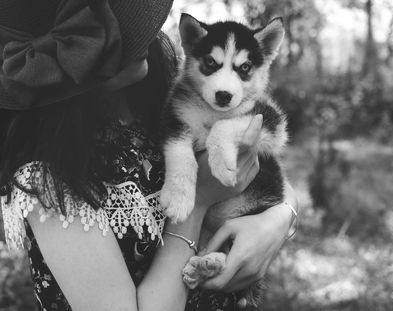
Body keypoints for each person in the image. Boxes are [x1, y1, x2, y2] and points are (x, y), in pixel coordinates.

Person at [0, 1, 298, 311]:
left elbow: (263, 166)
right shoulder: (46, 183)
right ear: (77, 55)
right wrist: (197, 206)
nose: (144, 34)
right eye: (123, 26)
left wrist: (278, 220)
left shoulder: (156, 98)